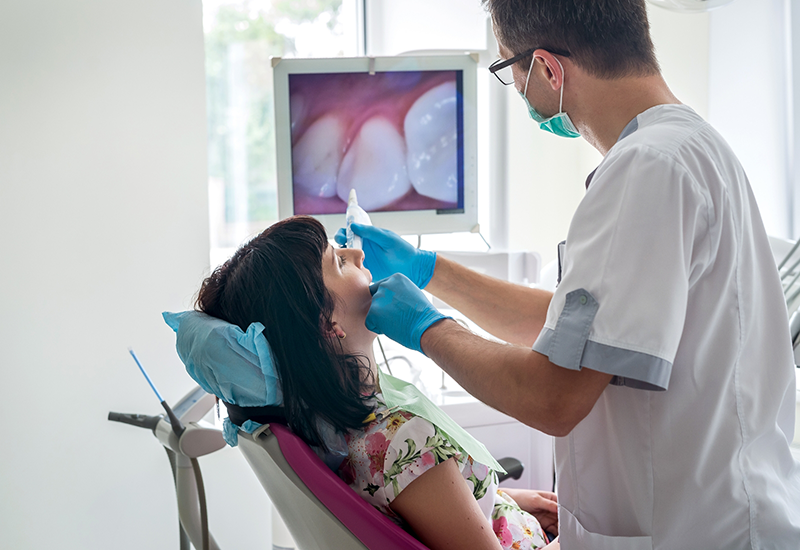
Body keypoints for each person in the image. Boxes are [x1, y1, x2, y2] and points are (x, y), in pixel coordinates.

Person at [342, 1, 800, 548]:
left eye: (507, 69)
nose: (515, 88)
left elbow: (554, 398)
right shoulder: (686, 148)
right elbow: (580, 332)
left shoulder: (647, 170)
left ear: (548, 69)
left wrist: (426, 328)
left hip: (697, 526)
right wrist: (430, 271)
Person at [190, 216, 560, 550]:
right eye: (338, 260)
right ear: (327, 324)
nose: (356, 253)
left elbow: (418, 509)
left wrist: (500, 501)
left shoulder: (336, 433)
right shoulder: (402, 440)